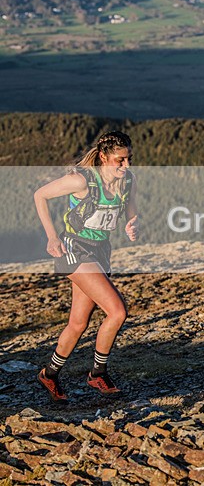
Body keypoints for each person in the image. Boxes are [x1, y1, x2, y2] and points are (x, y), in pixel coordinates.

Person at [33, 131, 139, 401]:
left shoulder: (127, 180)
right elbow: (40, 195)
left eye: (128, 159)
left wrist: (132, 223)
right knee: (117, 312)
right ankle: (98, 373)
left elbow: (131, 210)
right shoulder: (82, 180)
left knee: (78, 323)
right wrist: (52, 236)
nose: (126, 166)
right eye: (120, 160)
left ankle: (50, 374)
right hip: (75, 249)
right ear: (104, 157)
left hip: (100, 251)